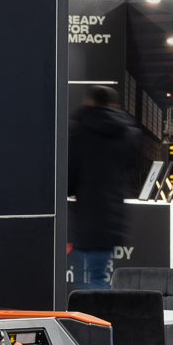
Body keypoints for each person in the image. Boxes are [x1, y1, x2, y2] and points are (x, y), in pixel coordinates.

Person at [67, 85, 141, 290]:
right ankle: (99, 310)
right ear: (113, 105)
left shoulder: (79, 132)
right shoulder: (129, 133)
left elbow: (70, 175)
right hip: (112, 216)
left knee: (86, 280)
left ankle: (91, 311)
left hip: (86, 215)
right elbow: (131, 166)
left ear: (89, 102)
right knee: (99, 276)